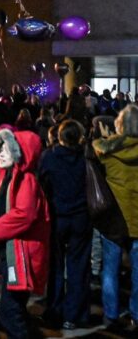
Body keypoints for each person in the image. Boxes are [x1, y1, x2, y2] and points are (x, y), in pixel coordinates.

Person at [0, 126, 50, 338]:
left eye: (6, 150)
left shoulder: (26, 180)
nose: (0, 154)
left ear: (18, 153)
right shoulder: (8, 176)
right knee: (14, 311)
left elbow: (22, 215)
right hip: (10, 253)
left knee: (10, 313)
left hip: (21, 255)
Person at [39, 119, 91, 329]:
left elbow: (41, 184)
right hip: (80, 217)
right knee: (79, 266)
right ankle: (75, 314)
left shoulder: (49, 157)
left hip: (57, 215)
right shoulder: (85, 157)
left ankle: (55, 310)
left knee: (56, 266)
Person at [93, 104, 138, 330]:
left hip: (114, 220)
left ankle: (110, 314)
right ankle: (136, 314)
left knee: (109, 269)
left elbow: (97, 148)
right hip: (137, 219)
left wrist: (106, 138)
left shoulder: (108, 152)